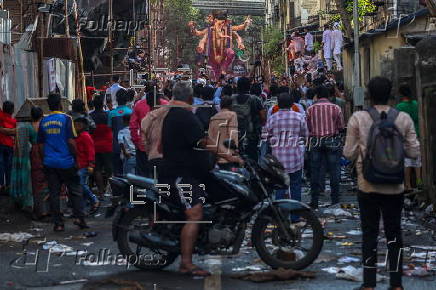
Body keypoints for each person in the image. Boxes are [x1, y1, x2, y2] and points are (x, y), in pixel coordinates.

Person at [343, 77, 420, 290]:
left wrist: (364, 150)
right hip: (395, 186)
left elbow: (347, 153)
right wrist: (393, 154)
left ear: (368, 94)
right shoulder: (403, 118)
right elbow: (414, 151)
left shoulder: (358, 117)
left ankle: (369, 284)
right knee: (394, 233)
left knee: (370, 234)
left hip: (367, 184)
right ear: (391, 93)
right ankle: (396, 284)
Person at [159, 81, 242, 277]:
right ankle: (186, 263)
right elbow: (204, 142)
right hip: (180, 175)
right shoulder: (184, 116)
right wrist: (229, 155)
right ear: (189, 97)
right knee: (195, 214)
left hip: (188, 171)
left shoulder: (173, 114)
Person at [38, 93, 87, 232]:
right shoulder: (66, 119)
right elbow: (71, 142)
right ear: (60, 104)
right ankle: (79, 218)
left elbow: (40, 145)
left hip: (50, 163)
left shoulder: (43, 121)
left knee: (54, 193)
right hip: (66, 162)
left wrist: (44, 160)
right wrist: (76, 159)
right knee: (75, 190)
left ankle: (58, 224)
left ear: (48, 105)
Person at [267, 93, 308, 219]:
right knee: (295, 186)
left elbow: (267, 136)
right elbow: (305, 136)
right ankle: (295, 217)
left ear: (278, 104)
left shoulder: (273, 118)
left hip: (278, 159)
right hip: (295, 157)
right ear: (292, 104)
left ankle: (281, 217)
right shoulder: (299, 117)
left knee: (280, 187)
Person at [306, 85, 345, 208]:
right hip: (332, 140)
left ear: (317, 95)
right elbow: (341, 127)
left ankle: (315, 200)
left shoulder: (310, 109)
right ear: (328, 96)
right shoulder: (336, 108)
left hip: (316, 140)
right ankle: (334, 200)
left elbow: (307, 127)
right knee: (334, 170)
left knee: (315, 171)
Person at [10, 106, 39, 213]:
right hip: (41, 156)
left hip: (30, 156)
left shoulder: (26, 127)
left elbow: (11, 132)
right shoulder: (43, 126)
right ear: (41, 116)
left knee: (29, 180)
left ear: (31, 116)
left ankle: (29, 203)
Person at [231, 77, 266, 161]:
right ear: (249, 87)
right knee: (252, 157)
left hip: (234, 134)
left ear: (237, 86)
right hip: (251, 135)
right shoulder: (255, 99)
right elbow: (263, 117)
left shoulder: (231, 98)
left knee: (235, 156)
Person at [396, 84, 422, 191]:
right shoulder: (416, 104)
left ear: (401, 94)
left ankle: (408, 185)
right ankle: (419, 182)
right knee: (417, 160)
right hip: (417, 134)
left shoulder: (400, 107)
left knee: (407, 161)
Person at [90, 94, 113, 197]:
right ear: (102, 104)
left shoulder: (90, 116)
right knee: (109, 169)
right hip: (107, 145)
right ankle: (110, 189)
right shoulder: (108, 115)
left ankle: (101, 190)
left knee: (97, 169)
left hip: (95, 146)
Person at [29, 107, 50, 220]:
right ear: (42, 115)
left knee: (36, 184)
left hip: (33, 155)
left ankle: (39, 211)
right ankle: (47, 210)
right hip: (45, 152)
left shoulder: (29, 127)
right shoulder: (44, 125)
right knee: (46, 182)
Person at [208, 95, 238, 170]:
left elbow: (209, 138)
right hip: (227, 157)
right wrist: (236, 150)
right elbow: (233, 134)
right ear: (231, 105)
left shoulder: (213, 118)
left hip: (215, 158)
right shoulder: (232, 115)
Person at [74, 117, 99, 213]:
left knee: (81, 184)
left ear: (83, 126)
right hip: (80, 165)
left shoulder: (85, 136)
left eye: (78, 125)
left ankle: (94, 200)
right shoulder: (79, 136)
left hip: (85, 165)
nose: (76, 127)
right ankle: (82, 209)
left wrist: (91, 164)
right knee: (82, 186)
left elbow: (91, 151)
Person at [108, 89, 133, 176]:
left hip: (116, 146)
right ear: (126, 100)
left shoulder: (111, 113)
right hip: (129, 147)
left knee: (117, 173)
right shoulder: (131, 112)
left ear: (116, 99)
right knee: (129, 174)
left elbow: (110, 129)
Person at [0, 101, 17, 193]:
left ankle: (1, 184)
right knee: (8, 166)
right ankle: (8, 186)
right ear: (12, 110)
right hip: (9, 146)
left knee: (1, 165)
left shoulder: (1, 116)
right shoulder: (14, 121)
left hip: (1, 145)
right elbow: (15, 132)